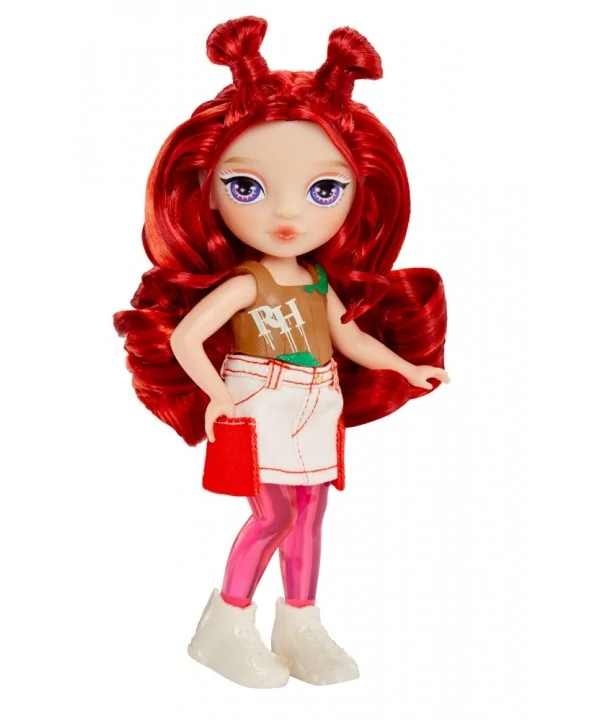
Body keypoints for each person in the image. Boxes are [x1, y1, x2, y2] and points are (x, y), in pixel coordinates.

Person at [114, 15, 449, 688]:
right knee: (272, 514)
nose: (288, 214)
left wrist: (405, 366)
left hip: (317, 399)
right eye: (248, 188)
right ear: (208, 192)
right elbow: (185, 337)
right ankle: (227, 622)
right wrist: (218, 395)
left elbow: (349, 337)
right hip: (258, 396)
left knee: (313, 513)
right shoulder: (246, 282)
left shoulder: (318, 280)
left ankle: (300, 624)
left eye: (325, 190)